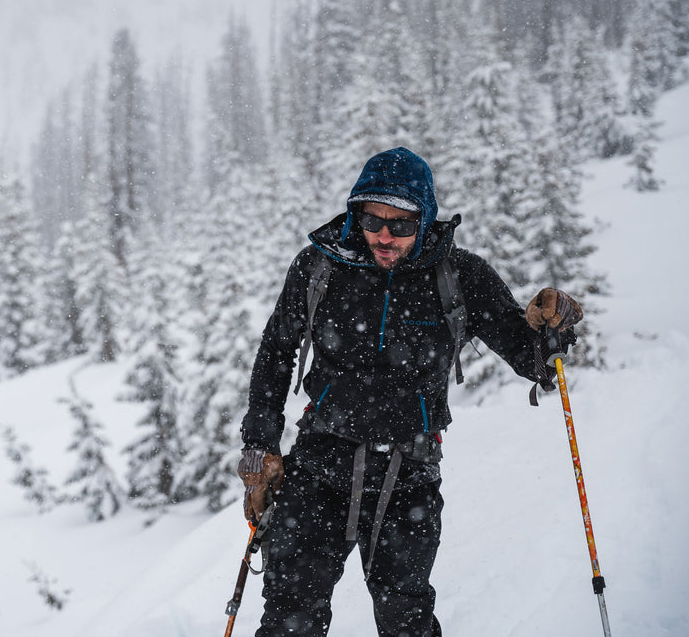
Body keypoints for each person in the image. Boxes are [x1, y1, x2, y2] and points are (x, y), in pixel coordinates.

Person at [237, 147, 583, 637]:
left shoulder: (459, 275)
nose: (384, 235)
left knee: (406, 618)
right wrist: (260, 447)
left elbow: (534, 361)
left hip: (409, 474)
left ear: (424, 221)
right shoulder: (319, 267)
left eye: (400, 224)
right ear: (356, 212)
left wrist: (554, 327)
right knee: (289, 617)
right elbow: (275, 353)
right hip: (319, 464)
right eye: (372, 219)